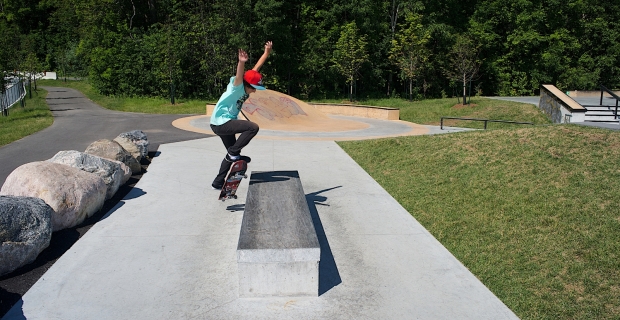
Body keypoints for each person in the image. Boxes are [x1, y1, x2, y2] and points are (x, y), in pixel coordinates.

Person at [210, 41, 273, 190]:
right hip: (222, 122)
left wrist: (266, 53)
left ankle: (218, 182)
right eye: (254, 88)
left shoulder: (247, 83)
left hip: (223, 123)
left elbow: (256, 70)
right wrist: (241, 62)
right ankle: (233, 153)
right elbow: (240, 75)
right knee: (252, 128)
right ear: (247, 84)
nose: (255, 91)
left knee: (232, 155)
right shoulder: (237, 86)